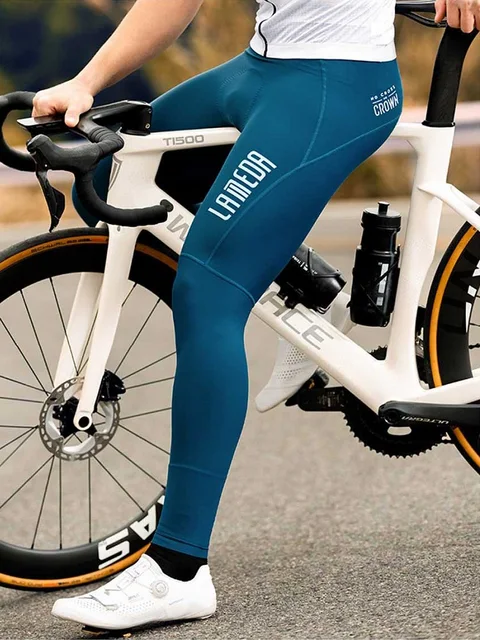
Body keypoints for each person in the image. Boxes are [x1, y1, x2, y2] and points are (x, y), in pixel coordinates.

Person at [32, 0, 479, 632]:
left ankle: (178, 570)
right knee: (112, 173)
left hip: (335, 84)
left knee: (207, 292)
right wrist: (86, 81)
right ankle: (309, 291)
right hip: (261, 68)